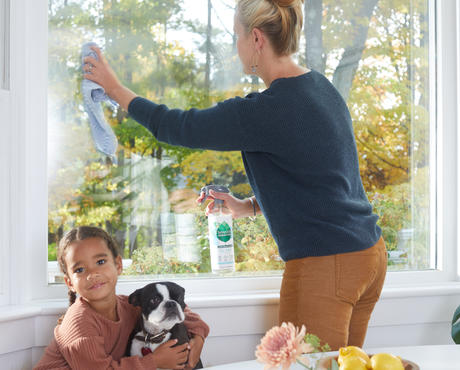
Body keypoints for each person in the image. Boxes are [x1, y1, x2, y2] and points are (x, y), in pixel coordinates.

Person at [82, 0, 387, 351]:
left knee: (303, 366)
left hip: (326, 264)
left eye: (237, 36)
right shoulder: (320, 87)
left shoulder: (264, 110)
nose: (235, 46)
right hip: (368, 256)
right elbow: (328, 177)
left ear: (256, 39)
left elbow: (175, 126)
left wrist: (114, 88)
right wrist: (249, 206)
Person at [34, 226, 209, 369]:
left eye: (100, 262)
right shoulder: (79, 324)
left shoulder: (129, 305)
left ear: (118, 265)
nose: (93, 274)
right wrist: (154, 361)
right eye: (80, 270)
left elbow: (182, 310)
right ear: (69, 282)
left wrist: (198, 338)